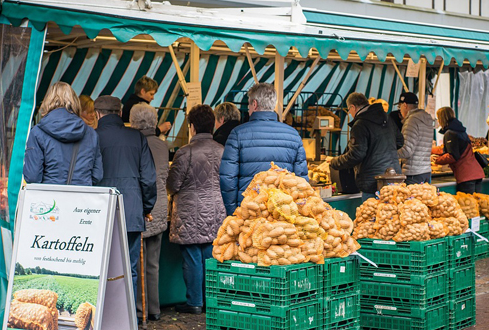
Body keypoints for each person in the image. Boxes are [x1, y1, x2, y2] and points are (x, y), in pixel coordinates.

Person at [94, 95, 157, 322]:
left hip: (97, 212)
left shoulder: (91, 137)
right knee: (129, 268)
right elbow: (149, 179)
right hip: (130, 210)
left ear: (97, 114)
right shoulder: (136, 137)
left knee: (99, 267)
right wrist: (145, 207)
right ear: (120, 113)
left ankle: (101, 320)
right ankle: (126, 320)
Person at [167, 105, 226, 314]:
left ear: (191, 127)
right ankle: (211, 300)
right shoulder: (222, 151)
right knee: (211, 256)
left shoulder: (185, 153)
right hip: (216, 212)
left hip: (189, 213)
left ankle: (194, 302)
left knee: (192, 258)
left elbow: (172, 184)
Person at [219, 83, 308, 215]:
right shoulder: (293, 135)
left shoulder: (237, 134)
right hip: (282, 213)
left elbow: (227, 179)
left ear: (254, 104)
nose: (248, 109)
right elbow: (301, 182)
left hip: (248, 211)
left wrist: (234, 212)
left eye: (249, 105)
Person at [130, 103, 168, 322]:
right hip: (160, 207)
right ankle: (154, 308)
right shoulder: (162, 146)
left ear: (133, 122)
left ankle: (139, 308)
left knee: (136, 262)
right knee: (153, 263)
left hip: (142, 208)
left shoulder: (134, 144)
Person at [325, 92, 402, 202]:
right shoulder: (387, 118)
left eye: (349, 110)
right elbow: (400, 141)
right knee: (391, 215)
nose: (350, 113)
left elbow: (356, 155)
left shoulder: (360, 125)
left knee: (371, 215)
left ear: (353, 107)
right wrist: (383, 149)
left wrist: (334, 162)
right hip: (394, 176)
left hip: (373, 181)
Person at [23, 82, 103, 186]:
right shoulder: (91, 133)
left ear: (47, 101)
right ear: (74, 101)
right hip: (82, 198)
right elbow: (97, 175)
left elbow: (33, 176)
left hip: (50, 199)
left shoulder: (37, 132)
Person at [433, 107, 484, 194]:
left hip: (466, 175)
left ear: (442, 118)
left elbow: (453, 156)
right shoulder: (461, 131)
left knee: (467, 205)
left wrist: (436, 160)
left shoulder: (450, 133)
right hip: (476, 173)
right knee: (476, 204)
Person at [397, 92, 434, 184]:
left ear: (405, 105)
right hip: (426, 171)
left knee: (412, 198)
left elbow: (406, 151)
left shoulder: (411, 121)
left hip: (413, 173)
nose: (399, 110)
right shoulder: (427, 119)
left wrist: (390, 153)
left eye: (399, 107)